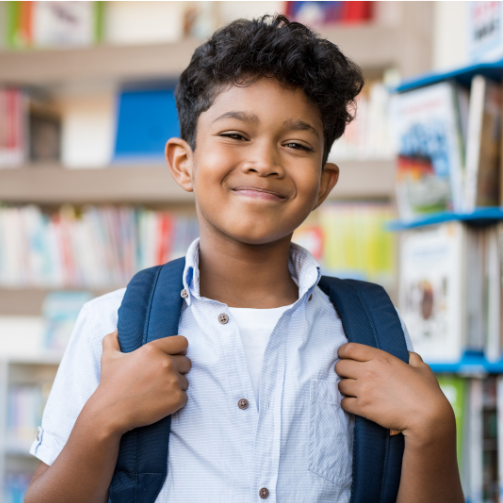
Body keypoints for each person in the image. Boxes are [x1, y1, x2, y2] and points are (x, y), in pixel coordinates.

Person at [25, 15, 464, 503]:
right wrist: (103, 417)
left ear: (323, 183)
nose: (264, 161)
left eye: (296, 144)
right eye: (235, 135)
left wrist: (433, 428)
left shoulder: (369, 331)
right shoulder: (110, 329)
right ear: (183, 163)